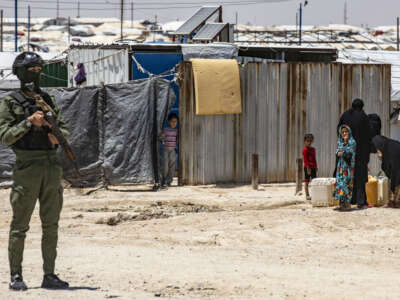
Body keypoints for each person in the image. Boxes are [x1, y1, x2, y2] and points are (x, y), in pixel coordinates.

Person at [0, 52, 70, 290]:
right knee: (20, 225)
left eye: (39, 69)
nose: (35, 74)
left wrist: (56, 135)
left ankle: (49, 274)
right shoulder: (10, 101)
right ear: (20, 72)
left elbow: (65, 130)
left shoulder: (47, 99)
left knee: (51, 224)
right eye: (31, 69)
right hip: (27, 166)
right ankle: (16, 276)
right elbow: (6, 136)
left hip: (51, 166)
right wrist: (29, 122)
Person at [337, 99, 371, 209]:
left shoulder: (345, 115)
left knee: (346, 176)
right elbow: (367, 137)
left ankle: (349, 199)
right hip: (360, 153)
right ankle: (361, 202)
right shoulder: (364, 117)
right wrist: (366, 157)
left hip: (346, 151)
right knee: (360, 177)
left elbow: (339, 130)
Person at [372, 135, 400, 208]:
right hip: (395, 162)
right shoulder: (387, 146)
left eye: (378, 148)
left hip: (397, 160)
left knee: (396, 178)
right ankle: (393, 201)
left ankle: (395, 201)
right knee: (393, 177)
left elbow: (394, 171)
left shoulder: (393, 148)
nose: (377, 150)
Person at [333, 125, 356, 211]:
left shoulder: (352, 142)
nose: (344, 133)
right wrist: (338, 153)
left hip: (348, 168)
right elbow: (337, 152)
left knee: (347, 184)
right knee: (340, 184)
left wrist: (342, 152)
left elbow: (350, 153)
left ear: (349, 132)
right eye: (342, 132)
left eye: (346, 132)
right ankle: (341, 204)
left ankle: (347, 204)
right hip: (340, 168)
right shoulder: (340, 142)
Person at [161, 113, 178, 187]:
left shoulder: (176, 131)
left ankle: (169, 181)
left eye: (175, 121)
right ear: (169, 121)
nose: (174, 123)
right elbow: (161, 137)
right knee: (165, 166)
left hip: (173, 150)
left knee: (172, 166)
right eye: (172, 121)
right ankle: (163, 180)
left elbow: (177, 139)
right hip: (166, 150)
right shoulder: (165, 130)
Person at [302, 133, 317, 200]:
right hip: (307, 167)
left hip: (313, 167)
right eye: (307, 141)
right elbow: (305, 160)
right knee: (307, 181)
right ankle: (307, 195)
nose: (309, 142)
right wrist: (308, 168)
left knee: (314, 181)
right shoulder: (305, 150)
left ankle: (315, 194)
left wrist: (316, 166)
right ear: (304, 141)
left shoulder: (313, 149)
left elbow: (314, 158)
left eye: (310, 141)